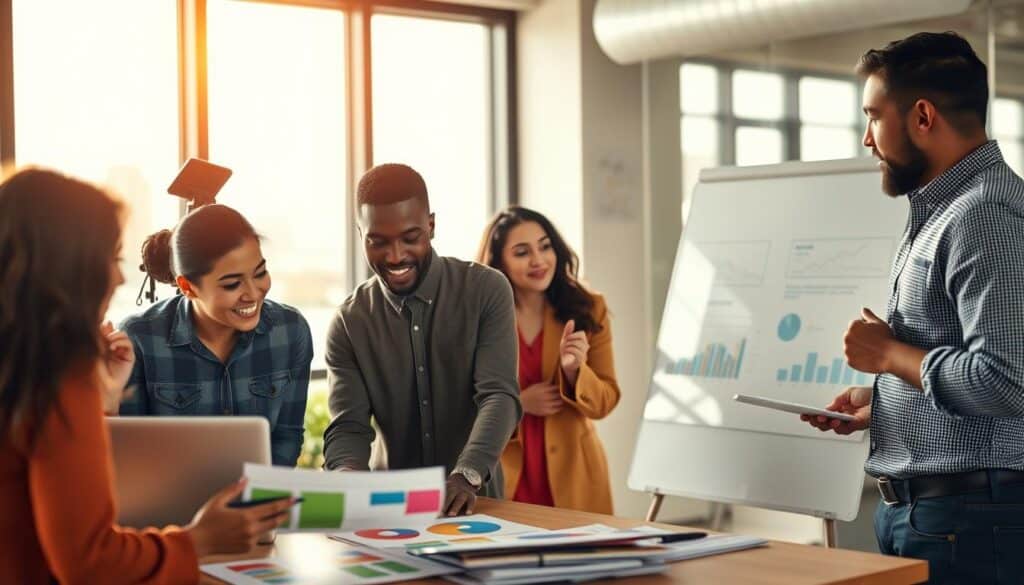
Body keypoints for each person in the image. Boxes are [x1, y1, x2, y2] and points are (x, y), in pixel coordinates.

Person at [0, 168, 296, 584]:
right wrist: (200, 541)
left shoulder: (24, 370)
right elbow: (90, 562)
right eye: (111, 258)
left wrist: (104, 398)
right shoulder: (59, 379)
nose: (120, 276)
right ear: (68, 265)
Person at [801, 32, 1024, 584]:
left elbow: (1005, 382)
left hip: (968, 521)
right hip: (941, 514)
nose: (867, 139)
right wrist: (882, 403)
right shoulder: (945, 211)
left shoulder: (982, 216)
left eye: (874, 117)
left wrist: (890, 355)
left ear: (922, 117)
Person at [323, 163, 521, 516]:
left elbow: (499, 394)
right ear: (360, 232)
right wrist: (346, 476)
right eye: (378, 241)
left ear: (431, 224)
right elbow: (349, 426)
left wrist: (466, 475)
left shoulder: (486, 291)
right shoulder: (349, 322)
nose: (395, 256)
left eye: (410, 238)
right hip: (391, 510)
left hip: (478, 504)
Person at [119, 204, 313, 467]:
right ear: (187, 287)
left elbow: (287, 435)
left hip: (261, 500)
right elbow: (130, 451)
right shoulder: (140, 339)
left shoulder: (291, 332)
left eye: (260, 273)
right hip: (172, 506)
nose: (253, 293)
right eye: (232, 284)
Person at [478, 207, 620, 514]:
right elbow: (457, 402)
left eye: (545, 246)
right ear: (499, 261)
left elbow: (605, 402)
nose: (539, 260)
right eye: (521, 252)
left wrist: (574, 371)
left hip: (574, 477)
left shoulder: (588, 308)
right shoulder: (478, 318)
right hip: (504, 477)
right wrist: (518, 403)